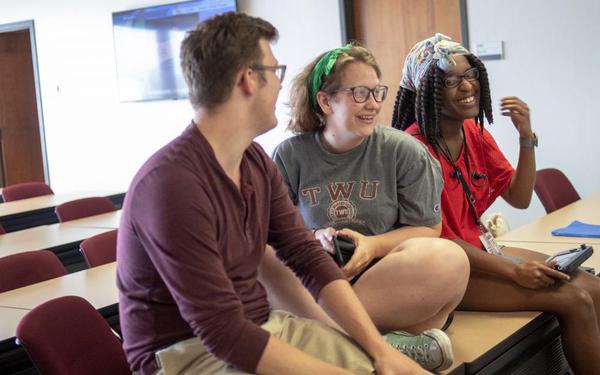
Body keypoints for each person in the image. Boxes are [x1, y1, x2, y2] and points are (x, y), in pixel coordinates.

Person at [116, 12, 432, 375]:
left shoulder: (254, 161)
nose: (281, 86)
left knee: (389, 368)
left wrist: (380, 352)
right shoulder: (171, 185)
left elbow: (306, 256)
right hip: (188, 356)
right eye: (275, 72)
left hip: (265, 328)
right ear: (248, 80)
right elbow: (222, 333)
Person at [392, 33, 600, 374]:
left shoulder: (474, 133)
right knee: (574, 299)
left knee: (593, 286)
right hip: (449, 271)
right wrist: (515, 270)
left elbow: (518, 198)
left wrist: (525, 137)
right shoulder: (413, 149)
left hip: (483, 254)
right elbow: (437, 236)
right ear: (427, 90)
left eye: (471, 74)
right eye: (451, 80)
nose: (467, 86)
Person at [261, 43, 470, 373]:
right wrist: (316, 237)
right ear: (325, 101)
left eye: (377, 92)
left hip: (385, 282)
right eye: (360, 93)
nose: (373, 104)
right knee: (263, 258)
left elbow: (428, 229)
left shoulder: (404, 151)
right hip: (318, 284)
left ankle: (328, 340)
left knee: (450, 259)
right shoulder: (289, 155)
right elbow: (274, 237)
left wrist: (372, 246)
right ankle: (385, 347)